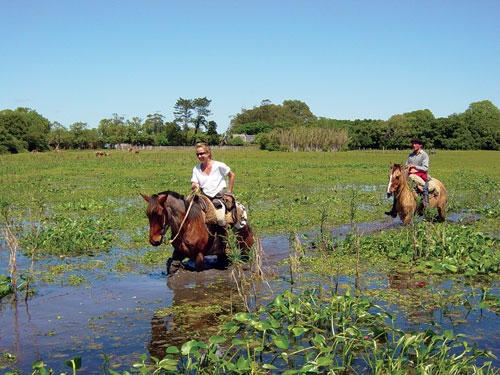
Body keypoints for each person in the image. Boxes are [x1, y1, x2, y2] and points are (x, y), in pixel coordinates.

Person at [191, 142, 235, 226]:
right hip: (204, 198)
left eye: (202, 153)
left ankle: (223, 236)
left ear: (208, 153)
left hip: (218, 196)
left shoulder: (219, 165)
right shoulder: (196, 169)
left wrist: (229, 192)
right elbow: (194, 182)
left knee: (221, 219)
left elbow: (232, 175)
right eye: (197, 154)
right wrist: (195, 185)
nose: (199, 156)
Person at [385, 137, 430, 217]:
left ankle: (426, 204)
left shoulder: (424, 155)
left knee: (424, 187)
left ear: (420, 145)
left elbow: (425, 167)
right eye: (413, 143)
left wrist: (415, 167)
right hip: (410, 175)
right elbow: (406, 165)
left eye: (415, 144)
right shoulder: (411, 155)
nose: (413, 145)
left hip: (421, 175)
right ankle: (394, 209)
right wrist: (407, 168)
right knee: (398, 188)